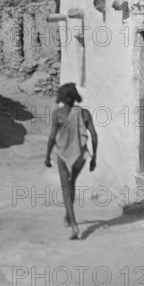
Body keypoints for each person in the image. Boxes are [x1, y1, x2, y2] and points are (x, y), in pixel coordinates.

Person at [45, 83, 98, 240]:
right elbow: (94, 136)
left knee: (65, 188)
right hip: (81, 156)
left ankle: (74, 226)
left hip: (64, 155)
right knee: (71, 183)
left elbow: (51, 138)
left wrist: (47, 157)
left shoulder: (58, 114)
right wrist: (94, 157)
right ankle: (68, 217)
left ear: (66, 98)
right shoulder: (85, 113)